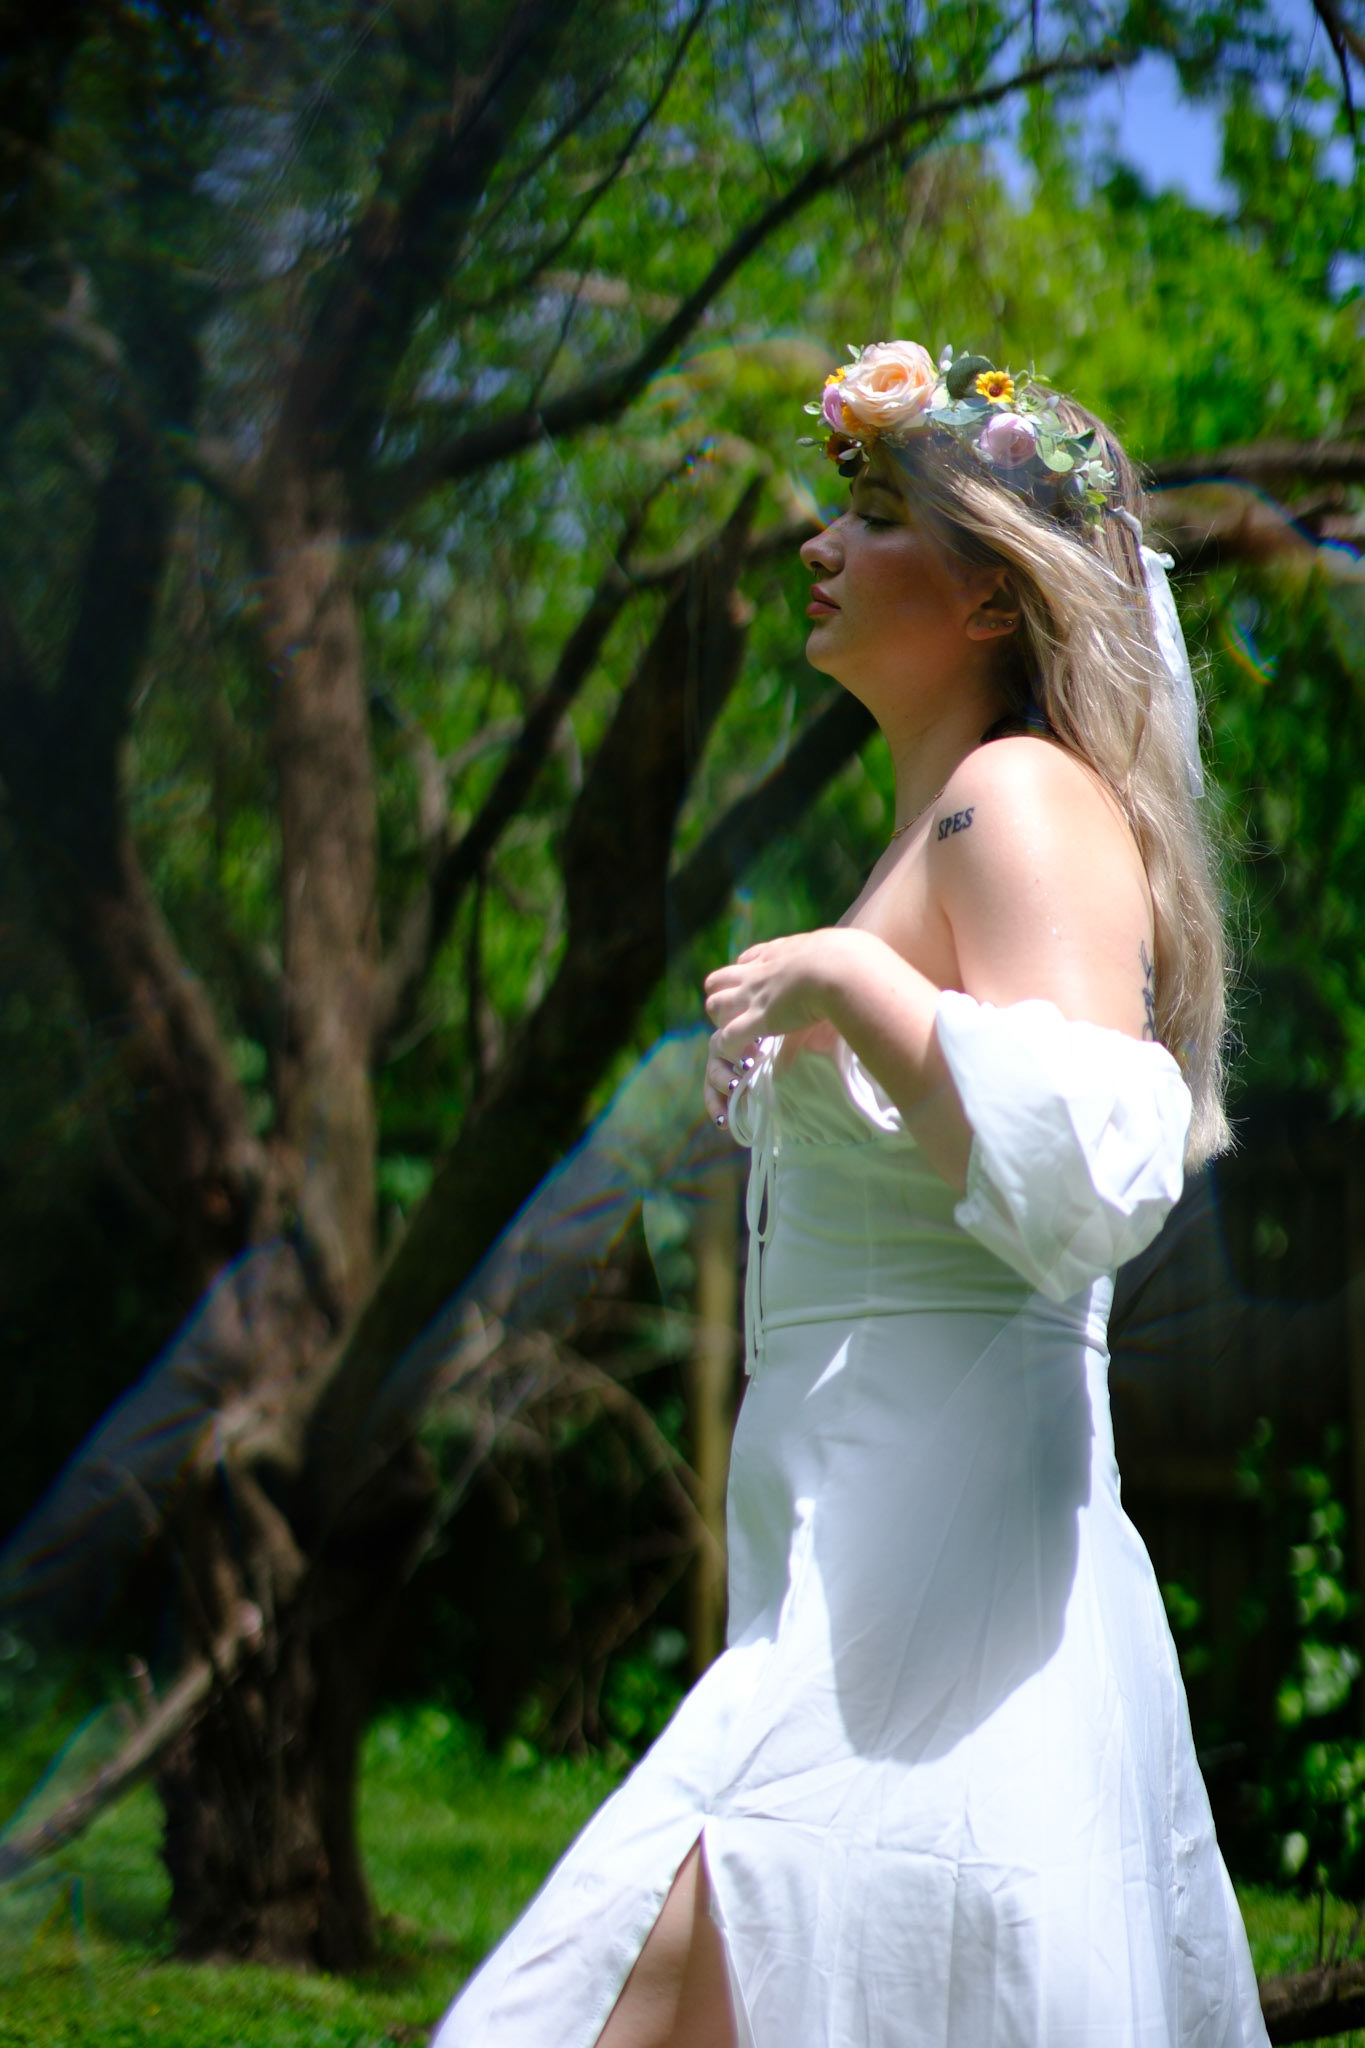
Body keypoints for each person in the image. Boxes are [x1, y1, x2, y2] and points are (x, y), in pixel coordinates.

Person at [432, 342, 1269, 2048]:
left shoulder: (1015, 798)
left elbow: (1097, 1163)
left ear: (987, 595)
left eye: (875, 515)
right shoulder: (934, 823)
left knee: (613, 1987)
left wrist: (853, 984)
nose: (819, 544)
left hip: (938, 1582)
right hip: (853, 1564)